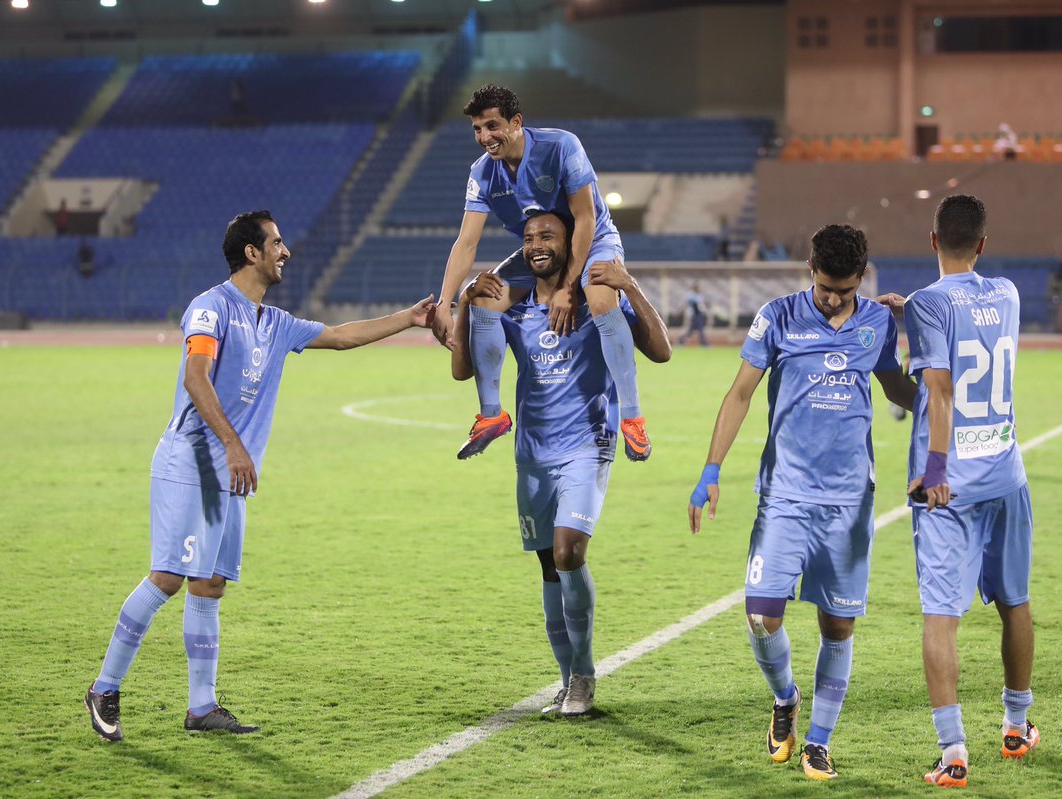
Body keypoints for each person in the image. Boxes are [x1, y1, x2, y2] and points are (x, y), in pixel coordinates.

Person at [84, 210, 435, 742]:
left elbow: (341, 336)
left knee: (211, 583)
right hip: (194, 461)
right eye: (276, 242)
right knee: (170, 577)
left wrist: (408, 318)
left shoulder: (274, 323)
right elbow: (195, 378)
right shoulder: (210, 309)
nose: (285, 250)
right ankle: (104, 687)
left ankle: (201, 706)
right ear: (251, 252)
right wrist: (232, 445)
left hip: (230, 471)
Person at [688, 225, 916, 781]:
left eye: (843, 289)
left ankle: (819, 741)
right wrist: (710, 470)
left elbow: (900, 391)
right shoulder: (778, 316)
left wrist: (941, 390)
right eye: (823, 286)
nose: (832, 298)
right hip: (784, 495)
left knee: (837, 626)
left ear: (862, 278)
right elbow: (740, 392)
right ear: (809, 268)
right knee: (761, 617)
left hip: (847, 501)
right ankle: (785, 698)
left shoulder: (878, 322)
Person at [451, 211, 670, 716]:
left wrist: (630, 285)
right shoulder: (516, 309)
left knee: (570, 552)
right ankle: (567, 678)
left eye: (547, 235)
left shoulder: (597, 304)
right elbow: (463, 369)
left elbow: (660, 351)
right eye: (528, 239)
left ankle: (585, 678)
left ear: (571, 243)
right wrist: (466, 304)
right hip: (532, 452)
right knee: (550, 566)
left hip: (587, 444)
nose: (536, 245)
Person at [430, 84, 650, 463]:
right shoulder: (482, 173)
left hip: (592, 240)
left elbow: (585, 217)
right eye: (478, 130)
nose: (485, 137)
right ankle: (492, 414)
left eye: (492, 126)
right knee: (482, 297)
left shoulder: (561, 146)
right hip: (539, 251)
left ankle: (632, 418)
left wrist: (567, 287)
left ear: (516, 123)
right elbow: (466, 243)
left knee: (598, 296)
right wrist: (444, 303)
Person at [903, 194, 1037, 788]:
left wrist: (934, 469)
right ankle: (1016, 725)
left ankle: (953, 752)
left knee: (941, 617)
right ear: (982, 243)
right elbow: (967, 309)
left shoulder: (928, 305)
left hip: (948, 488)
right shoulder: (1007, 293)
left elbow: (938, 392)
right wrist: (912, 309)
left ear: (932, 240)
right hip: (1006, 475)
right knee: (1015, 602)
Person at [678, 282, 709, 347]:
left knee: (691, 331)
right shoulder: (691, 295)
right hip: (694, 315)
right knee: (699, 330)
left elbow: (703, 304)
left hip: (699, 315)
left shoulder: (700, 295)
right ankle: (704, 344)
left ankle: (680, 341)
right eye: (699, 287)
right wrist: (680, 310)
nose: (700, 289)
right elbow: (686, 304)